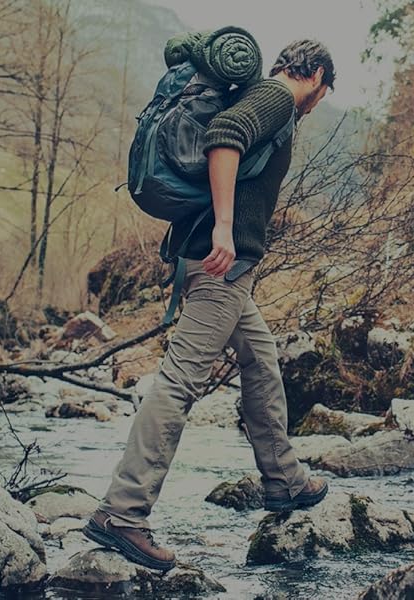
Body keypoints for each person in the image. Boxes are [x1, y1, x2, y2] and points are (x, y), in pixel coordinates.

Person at [84, 40, 337, 572]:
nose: (318, 103)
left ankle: (283, 479)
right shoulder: (275, 98)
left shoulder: (265, 97)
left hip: (227, 271)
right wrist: (224, 226)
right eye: (323, 91)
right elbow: (225, 138)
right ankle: (124, 512)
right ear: (314, 75)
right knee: (178, 385)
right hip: (221, 266)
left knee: (262, 361)